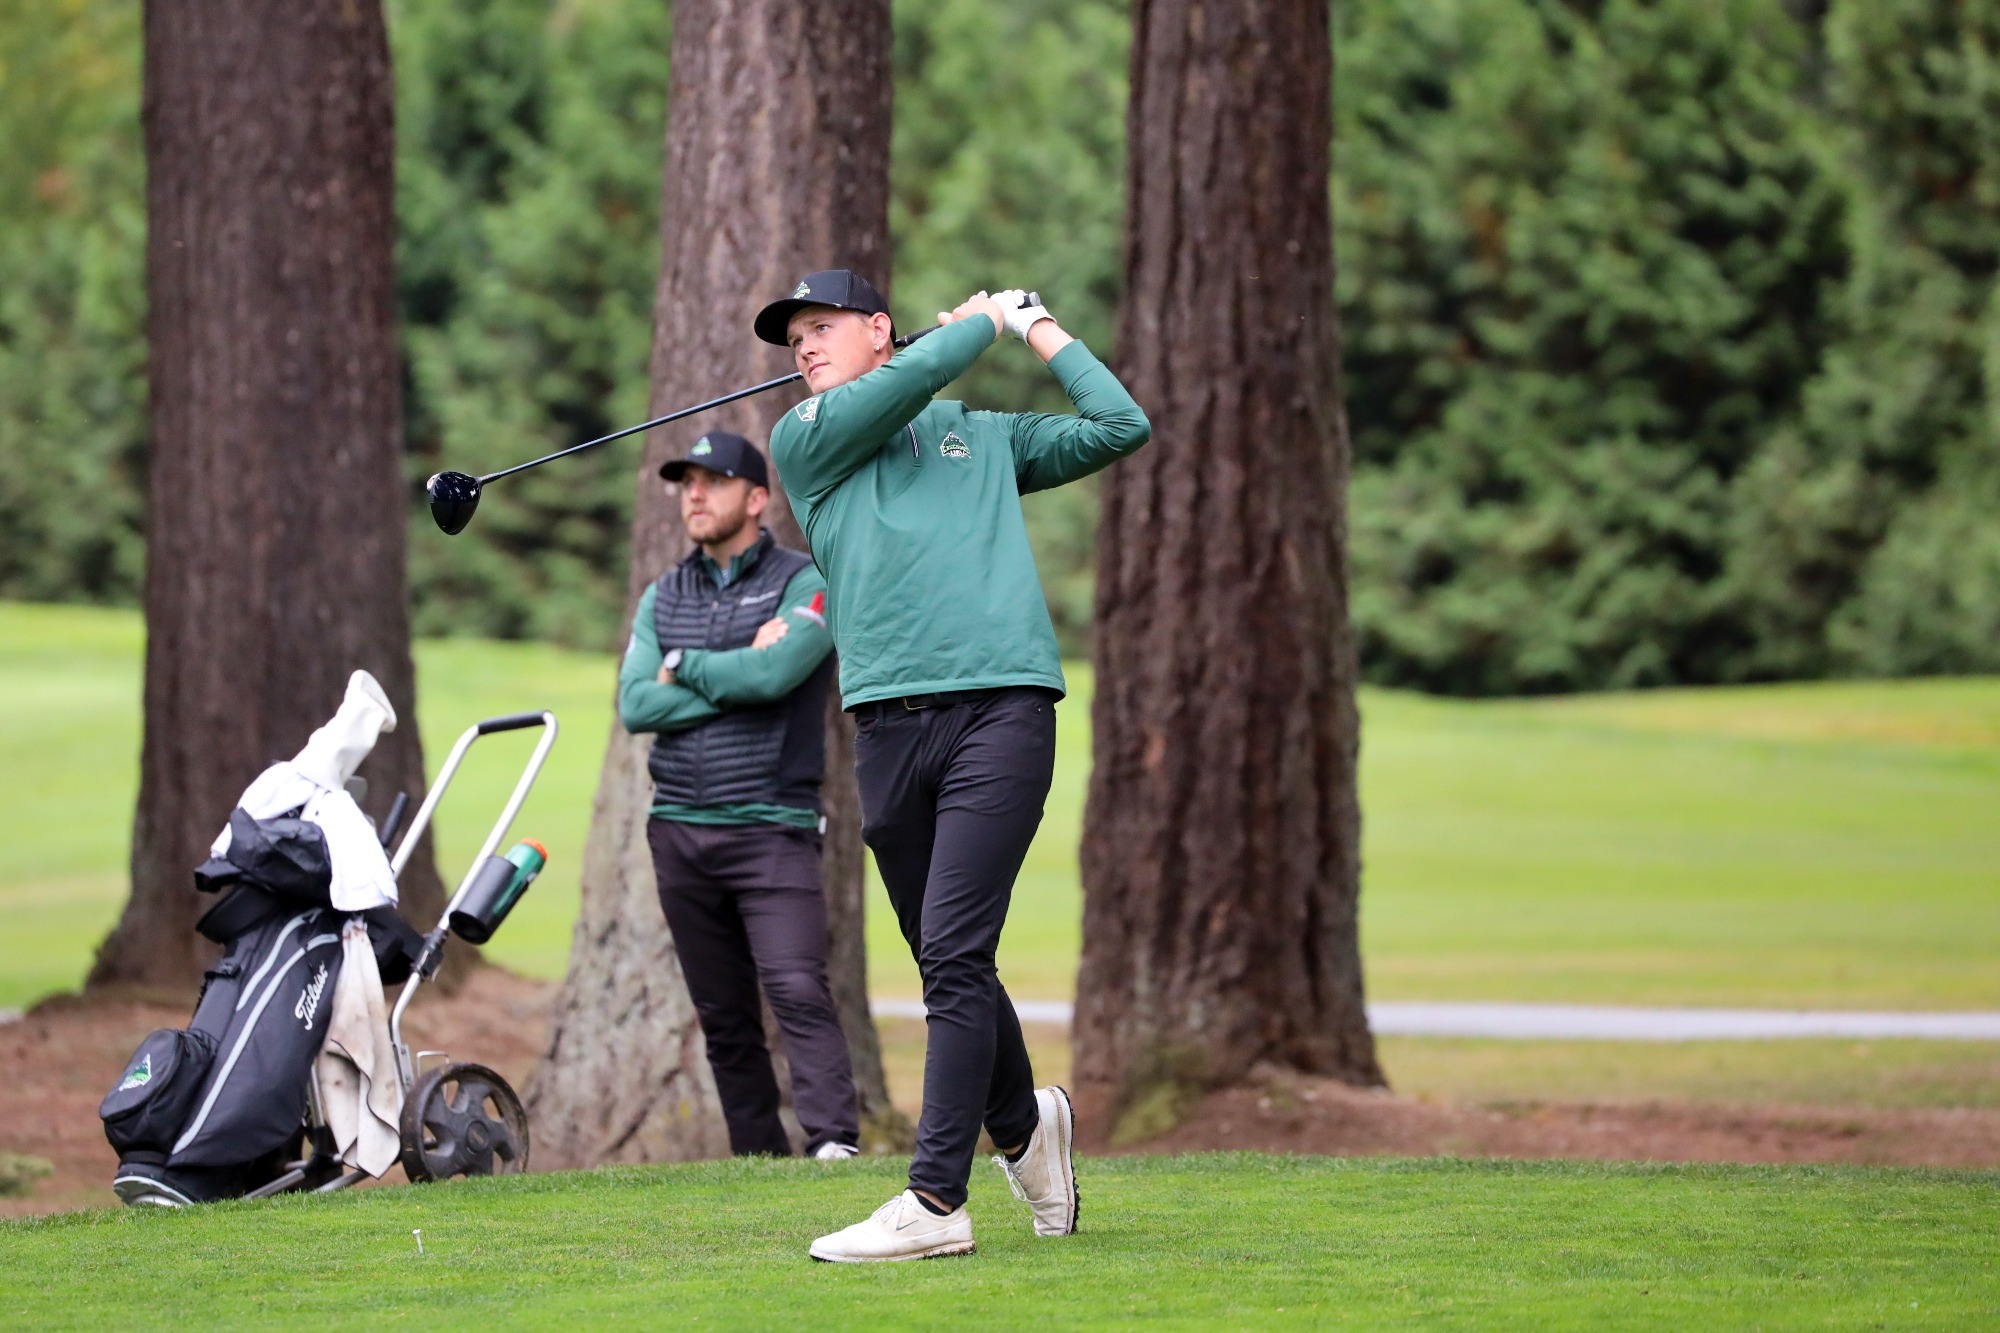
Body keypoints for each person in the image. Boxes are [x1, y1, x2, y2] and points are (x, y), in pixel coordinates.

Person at [755, 270, 1151, 1262]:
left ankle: (935, 1201)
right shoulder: (806, 444)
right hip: (887, 729)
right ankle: (1024, 1127)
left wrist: (1035, 328)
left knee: (956, 954)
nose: (802, 347)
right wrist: (975, 324)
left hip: (1000, 712)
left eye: (821, 328)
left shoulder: (981, 437)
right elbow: (897, 389)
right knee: (946, 953)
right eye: (791, 337)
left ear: (877, 329)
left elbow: (1118, 424)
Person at [617, 430, 860, 1161]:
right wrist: (731, 672)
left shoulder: (803, 580)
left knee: (794, 985)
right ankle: (759, 1156)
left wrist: (684, 665)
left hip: (771, 826)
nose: (694, 494)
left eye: (713, 481)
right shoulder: (664, 593)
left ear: (757, 499)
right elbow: (635, 706)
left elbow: (777, 677)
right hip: (679, 830)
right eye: (686, 481)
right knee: (722, 1013)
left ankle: (832, 1140)